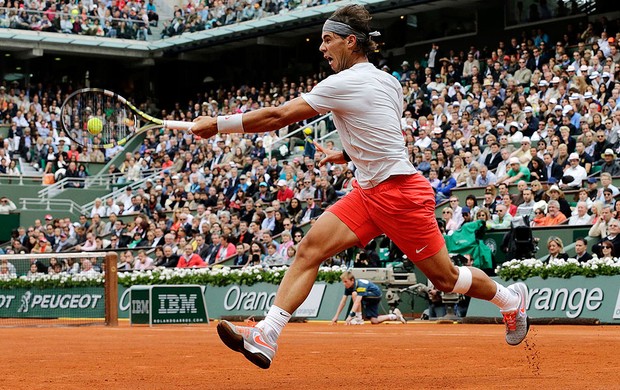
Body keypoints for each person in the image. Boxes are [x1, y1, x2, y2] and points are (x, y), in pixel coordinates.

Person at [197, 5, 529, 370]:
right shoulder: (389, 81)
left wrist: (219, 124)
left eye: (327, 40)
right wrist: (347, 154)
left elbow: (278, 116)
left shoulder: (344, 82)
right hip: (368, 193)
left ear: (350, 41)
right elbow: (380, 129)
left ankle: (509, 299)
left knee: (445, 278)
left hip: (401, 194)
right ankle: (267, 333)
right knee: (309, 249)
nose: (322, 48)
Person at [330, 271, 406, 325]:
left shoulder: (361, 285)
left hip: (375, 295)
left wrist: (350, 316)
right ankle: (395, 315)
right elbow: (343, 302)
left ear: (352, 280)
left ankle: (358, 318)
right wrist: (336, 316)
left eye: (345, 281)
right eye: (343, 282)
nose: (344, 284)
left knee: (355, 294)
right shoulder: (348, 287)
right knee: (374, 321)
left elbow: (357, 301)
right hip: (369, 298)